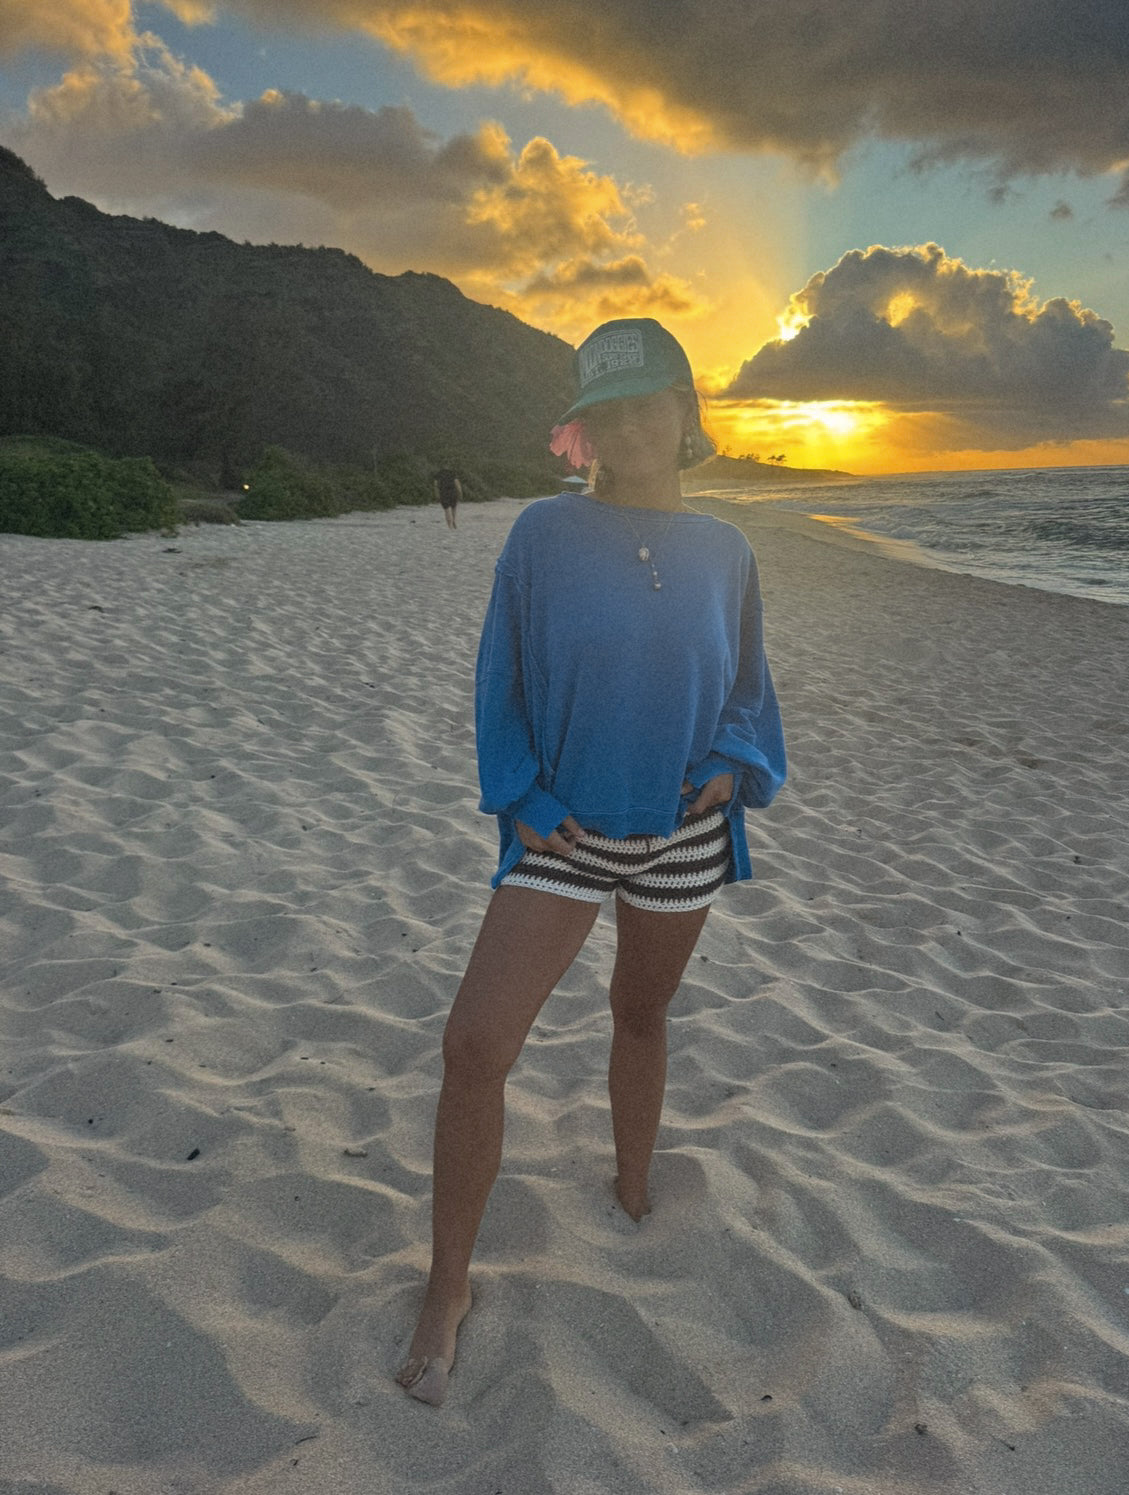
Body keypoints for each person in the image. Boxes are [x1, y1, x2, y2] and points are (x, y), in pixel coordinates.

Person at [397, 317, 786, 1406]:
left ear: (685, 411)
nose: (630, 427)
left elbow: (749, 687)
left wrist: (735, 762)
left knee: (640, 1013)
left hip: (683, 833)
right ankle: (447, 1285)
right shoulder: (542, 534)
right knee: (475, 1044)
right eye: (606, 411)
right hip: (561, 831)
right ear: (585, 429)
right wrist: (520, 795)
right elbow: (502, 677)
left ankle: (633, 1189)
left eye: (648, 403)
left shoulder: (728, 550)